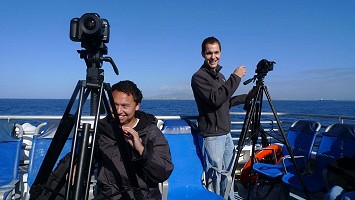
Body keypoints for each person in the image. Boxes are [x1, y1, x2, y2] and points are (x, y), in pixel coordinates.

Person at [94, 80, 174, 200]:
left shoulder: (151, 132)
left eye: (125, 106)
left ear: (137, 106)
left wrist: (141, 149)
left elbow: (162, 173)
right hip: (108, 194)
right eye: (114, 105)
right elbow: (92, 154)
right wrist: (75, 164)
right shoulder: (104, 128)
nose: (119, 111)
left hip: (141, 196)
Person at [191, 36, 248, 200]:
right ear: (203, 54)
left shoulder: (221, 77)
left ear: (220, 53)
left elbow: (225, 102)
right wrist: (235, 77)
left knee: (228, 175)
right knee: (215, 178)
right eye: (209, 53)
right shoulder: (199, 77)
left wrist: (245, 97)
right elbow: (215, 99)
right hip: (212, 136)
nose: (213, 56)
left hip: (226, 133)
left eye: (216, 52)